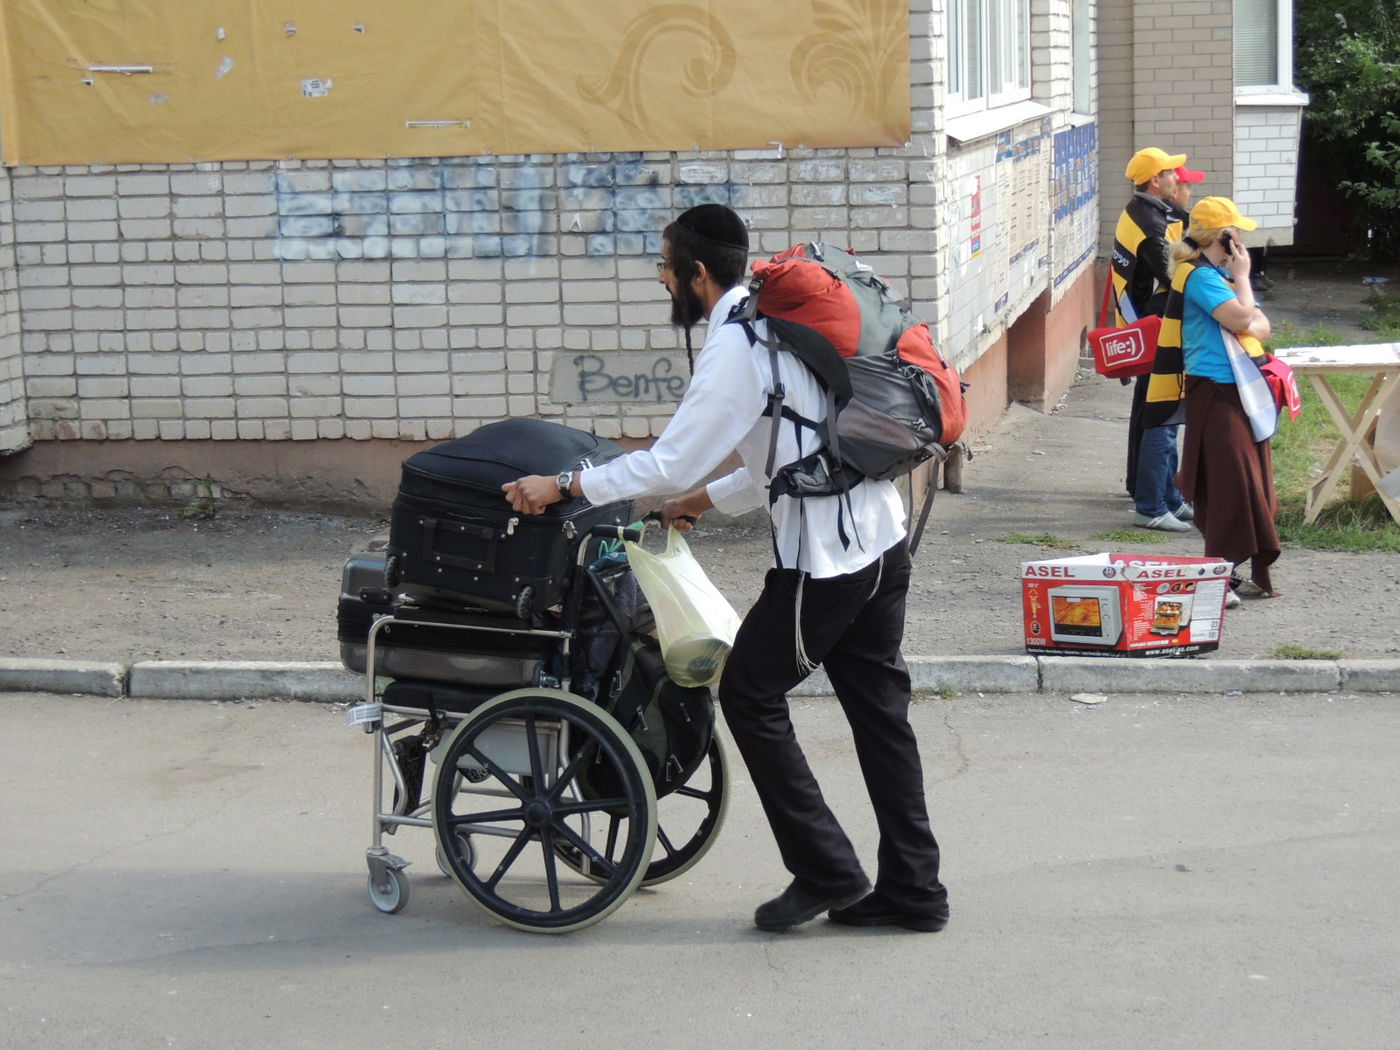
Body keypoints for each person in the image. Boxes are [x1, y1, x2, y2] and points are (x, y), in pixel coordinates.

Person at [502, 204, 949, 934]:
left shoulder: (737, 344)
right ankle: (916, 890)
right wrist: (702, 502)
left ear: (697, 274)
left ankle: (826, 871)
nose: (661, 276)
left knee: (749, 695)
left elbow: (671, 456)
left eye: (665, 265)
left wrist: (567, 484)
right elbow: (792, 450)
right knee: (881, 717)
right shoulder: (773, 315)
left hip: (826, 562)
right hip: (882, 538)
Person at [1147, 197, 1278, 605]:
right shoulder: (1200, 276)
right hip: (1216, 391)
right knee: (1229, 483)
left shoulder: (1213, 275)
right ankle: (1217, 577)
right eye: (1237, 233)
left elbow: (1262, 326)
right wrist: (1245, 278)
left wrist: (1243, 297)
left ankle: (1234, 569)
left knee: (1251, 481)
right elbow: (1244, 320)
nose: (1241, 240)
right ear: (1222, 237)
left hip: (1238, 390)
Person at [1113, 147, 1194, 532]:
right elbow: (1173, 277)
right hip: (1151, 324)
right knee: (1158, 413)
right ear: (1155, 180)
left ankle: (1160, 497)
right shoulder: (1151, 224)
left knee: (1152, 411)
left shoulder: (1143, 211)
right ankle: (1152, 504)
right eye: (1170, 172)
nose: (1177, 177)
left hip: (1142, 322)